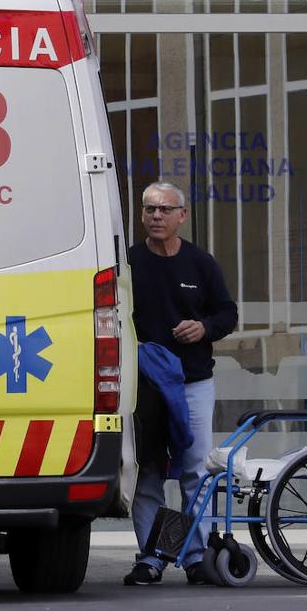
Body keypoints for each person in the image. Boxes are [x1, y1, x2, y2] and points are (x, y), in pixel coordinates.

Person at [123, 182, 238, 586]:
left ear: (182, 216)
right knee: (148, 473)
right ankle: (152, 558)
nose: (156, 216)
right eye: (150, 209)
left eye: (165, 209)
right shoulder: (128, 264)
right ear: (141, 215)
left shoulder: (201, 264)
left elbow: (228, 314)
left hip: (192, 382)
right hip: (143, 387)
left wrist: (204, 327)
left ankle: (193, 557)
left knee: (194, 473)